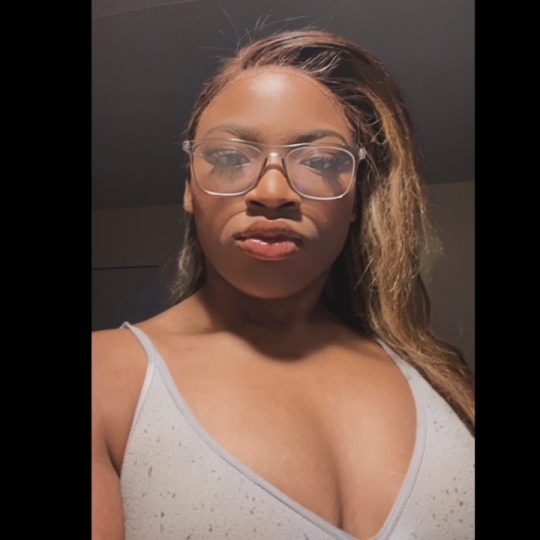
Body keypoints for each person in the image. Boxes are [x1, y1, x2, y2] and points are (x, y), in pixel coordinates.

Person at [92, 30, 475, 540]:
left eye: (319, 161)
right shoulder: (104, 380)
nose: (272, 192)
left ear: (356, 197)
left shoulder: (440, 380)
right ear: (189, 187)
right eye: (230, 157)